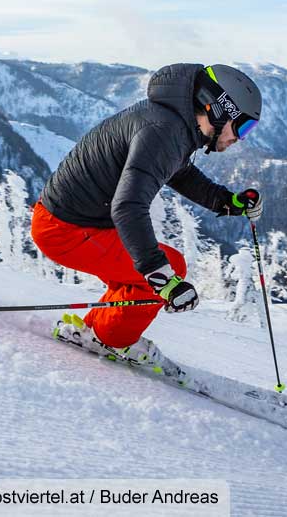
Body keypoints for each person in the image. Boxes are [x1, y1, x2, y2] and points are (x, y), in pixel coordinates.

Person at [31, 63, 264, 352]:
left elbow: (178, 172)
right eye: (243, 126)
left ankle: (95, 330)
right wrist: (162, 278)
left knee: (139, 275)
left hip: (72, 220)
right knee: (168, 267)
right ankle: (110, 340)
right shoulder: (164, 131)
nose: (240, 137)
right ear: (217, 109)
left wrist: (226, 201)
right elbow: (128, 206)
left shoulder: (172, 124)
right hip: (65, 230)